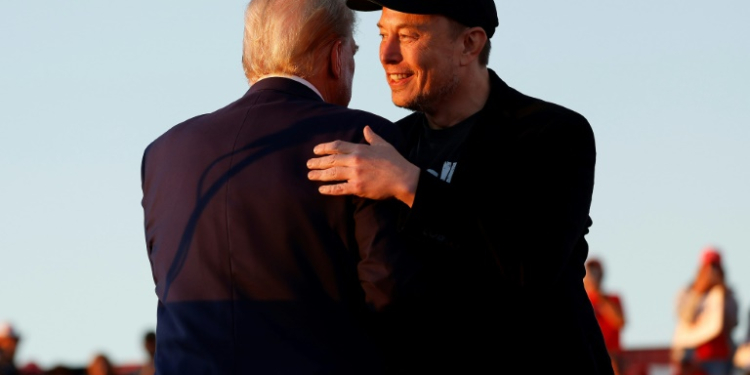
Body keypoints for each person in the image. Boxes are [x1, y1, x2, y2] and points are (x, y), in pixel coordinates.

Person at [306, 0, 613, 373]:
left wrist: (410, 185)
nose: (386, 54)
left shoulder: (551, 134)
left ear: (470, 44)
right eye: (383, 34)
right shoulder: (388, 146)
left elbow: (528, 267)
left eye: (408, 35)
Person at [140, 0, 408, 373]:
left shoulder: (164, 153)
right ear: (336, 56)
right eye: (353, 52)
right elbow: (391, 295)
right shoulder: (363, 140)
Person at [671, 246, 738, 375]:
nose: (712, 272)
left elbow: (733, 323)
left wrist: (722, 297)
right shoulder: (686, 292)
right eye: (708, 267)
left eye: (715, 267)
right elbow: (684, 317)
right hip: (692, 355)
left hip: (719, 356)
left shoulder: (727, 295)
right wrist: (698, 292)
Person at [584, 258, 627, 375]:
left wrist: (599, 297)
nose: (593, 275)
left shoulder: (613, 299)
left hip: (612, 355)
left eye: (596, 271)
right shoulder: (582, 300)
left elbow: (620, 322)